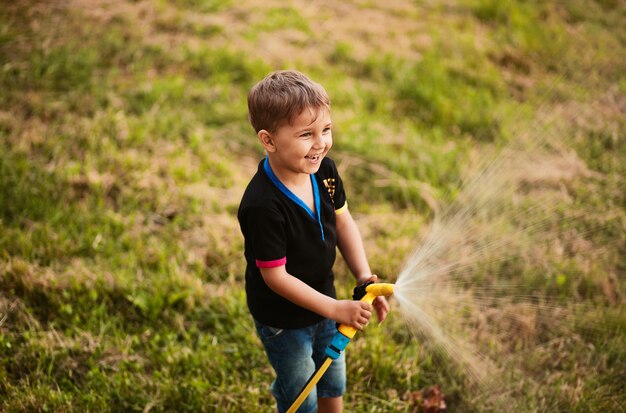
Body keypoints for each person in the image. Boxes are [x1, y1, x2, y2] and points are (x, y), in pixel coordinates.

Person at [238, 70, 389, 413]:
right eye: (306, 134)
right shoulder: (263, 205)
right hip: (284, 320)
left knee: (332, 379)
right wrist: (336, 309)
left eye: (326, 130)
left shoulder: (324, 172)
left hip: (325, 299)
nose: (320, 142)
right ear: (269, 140)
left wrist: (364, 278)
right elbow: (275, 277)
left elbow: (343, 220)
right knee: (301, 393)